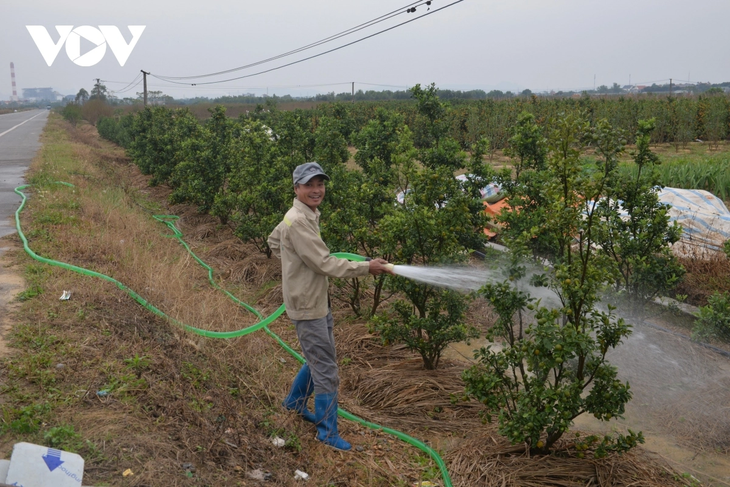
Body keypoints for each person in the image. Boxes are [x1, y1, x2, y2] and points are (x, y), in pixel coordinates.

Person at [268, 162, 393, 451]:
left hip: (315, 299)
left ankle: (294, 402)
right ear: (296, 188)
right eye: (309, 185)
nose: (316, 190)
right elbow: (324, 262)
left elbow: (274, 241)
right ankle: (327, 433)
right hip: (308, 303)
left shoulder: (302, 214)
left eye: (320, 184)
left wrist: (294, 264)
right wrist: (367, 267)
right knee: (326, 368)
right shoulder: (297, 221)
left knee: (320, 357)